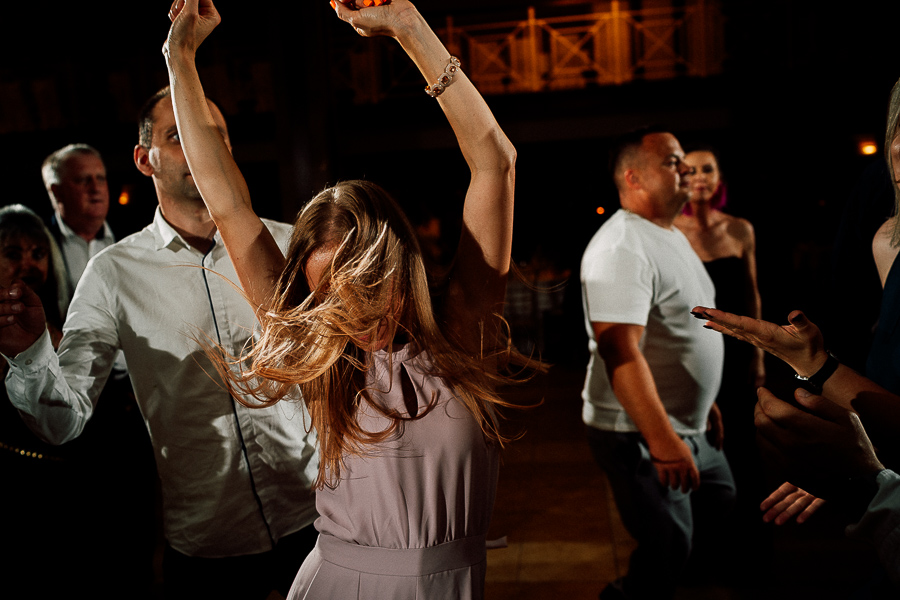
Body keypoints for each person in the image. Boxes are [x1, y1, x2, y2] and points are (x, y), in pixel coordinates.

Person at [163, 0, 527, 597]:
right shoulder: (323, 352)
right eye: (327, 294)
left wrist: (409, 27)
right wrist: (179, 56)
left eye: (364, 285)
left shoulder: (464, 325)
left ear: (399, 265)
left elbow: (495, 161)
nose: (350, 312)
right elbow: (227, 203)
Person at [0, 86, 319, 600]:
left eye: (215, 133)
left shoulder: (287, 244)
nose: (201, 143)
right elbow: (62, 422)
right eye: (179, 134)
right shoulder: (113, 274)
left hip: (316, 521)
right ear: (144, 159)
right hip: (208, 546)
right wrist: (29, 353)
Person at [580, 126, 735, 599]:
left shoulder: (667, 234)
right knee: (667, 549)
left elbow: (679, 329)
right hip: (639, 431)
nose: (686, 168)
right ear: (634, 177)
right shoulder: (621, 246)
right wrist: (664, 441)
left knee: (719, 510)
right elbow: (620, 350)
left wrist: (702, 401)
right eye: (672, 161)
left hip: (688, 421)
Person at [41, 144, 115, 297]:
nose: (96, 188)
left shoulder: (133, 234)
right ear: (56, 192)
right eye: (83, 180)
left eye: (100, 178)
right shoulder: (38, 242)